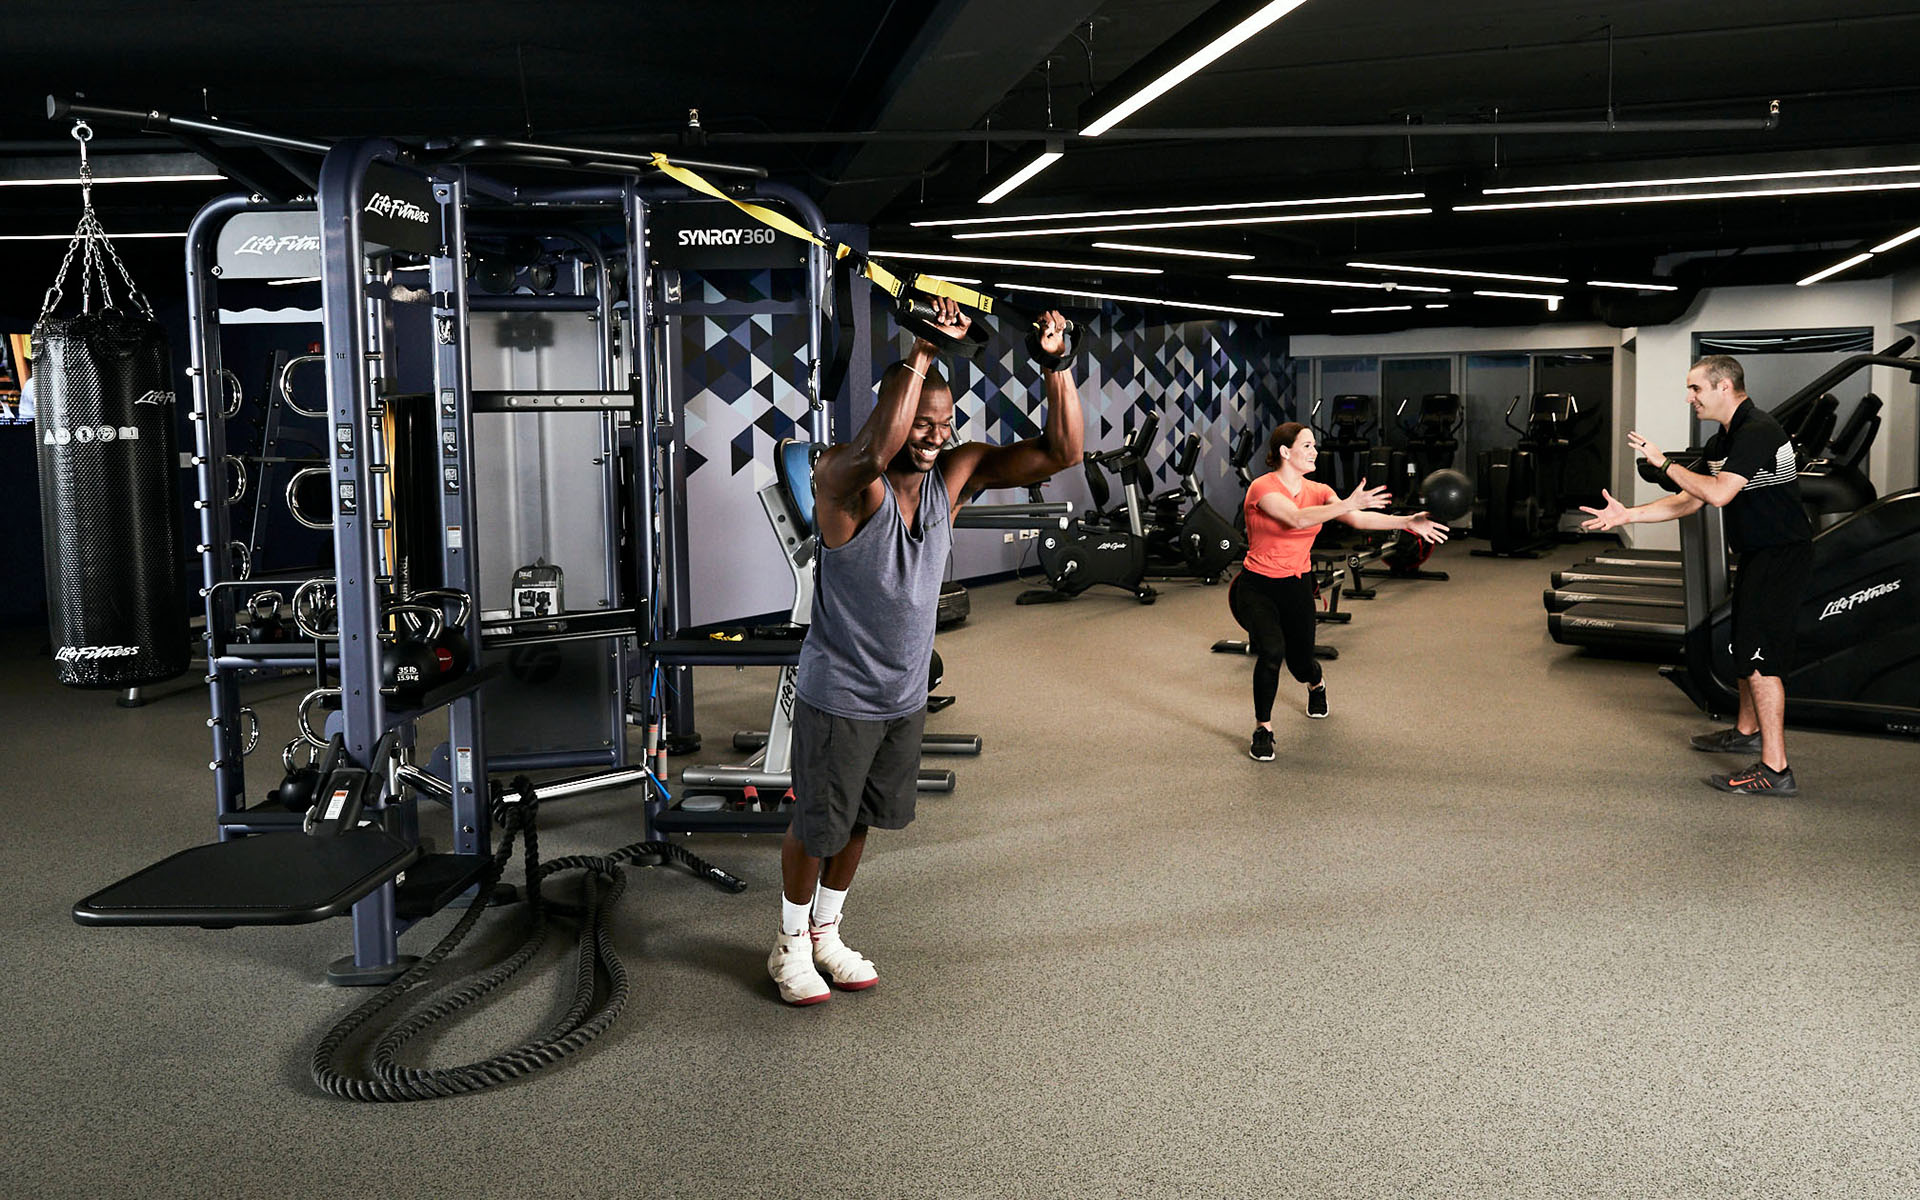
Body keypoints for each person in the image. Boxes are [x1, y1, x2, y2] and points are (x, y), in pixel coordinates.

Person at [768, 297, 1085, 1005]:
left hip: (903, 696)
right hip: (840, 694)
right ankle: (788, 945)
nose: (935, 438)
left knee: (860, 821)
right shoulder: (843, 481)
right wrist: (924, 350)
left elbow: (1063, 453)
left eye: (945, 425)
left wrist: (1057, 365)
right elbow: (871, 453)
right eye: (921, 423)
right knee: (817, 827)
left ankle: (826, 931)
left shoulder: (954, 476)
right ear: (893, 410)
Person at [1578, 354, 1812, 796]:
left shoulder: (1758, 431)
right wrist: (1628, 515)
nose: (1690, 398)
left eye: (1696, 388)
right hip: (1758, 554)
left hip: (1782, 556)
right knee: (1744, 645)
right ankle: (1747, 731)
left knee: (1760, 660)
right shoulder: (1723, 441)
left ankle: (1776, 769)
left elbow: (1720, 494)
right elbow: (1690, 500)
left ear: (1724, 386)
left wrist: (1664, 464)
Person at [1230, 421, 1448, 761]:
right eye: (1307, 446)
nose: (1314, 451)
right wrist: (1346, 504)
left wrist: (1406, 522)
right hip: (1257, 586)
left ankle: (1316, 684)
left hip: (1296, 586)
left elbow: (1359, 520)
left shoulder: (1319, 490)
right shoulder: (1262, 487)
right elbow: (1296, 519)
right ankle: (1263, 729)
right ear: (1285, 452)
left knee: (1301, 664)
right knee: (1271, 651)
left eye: (1314, 445)